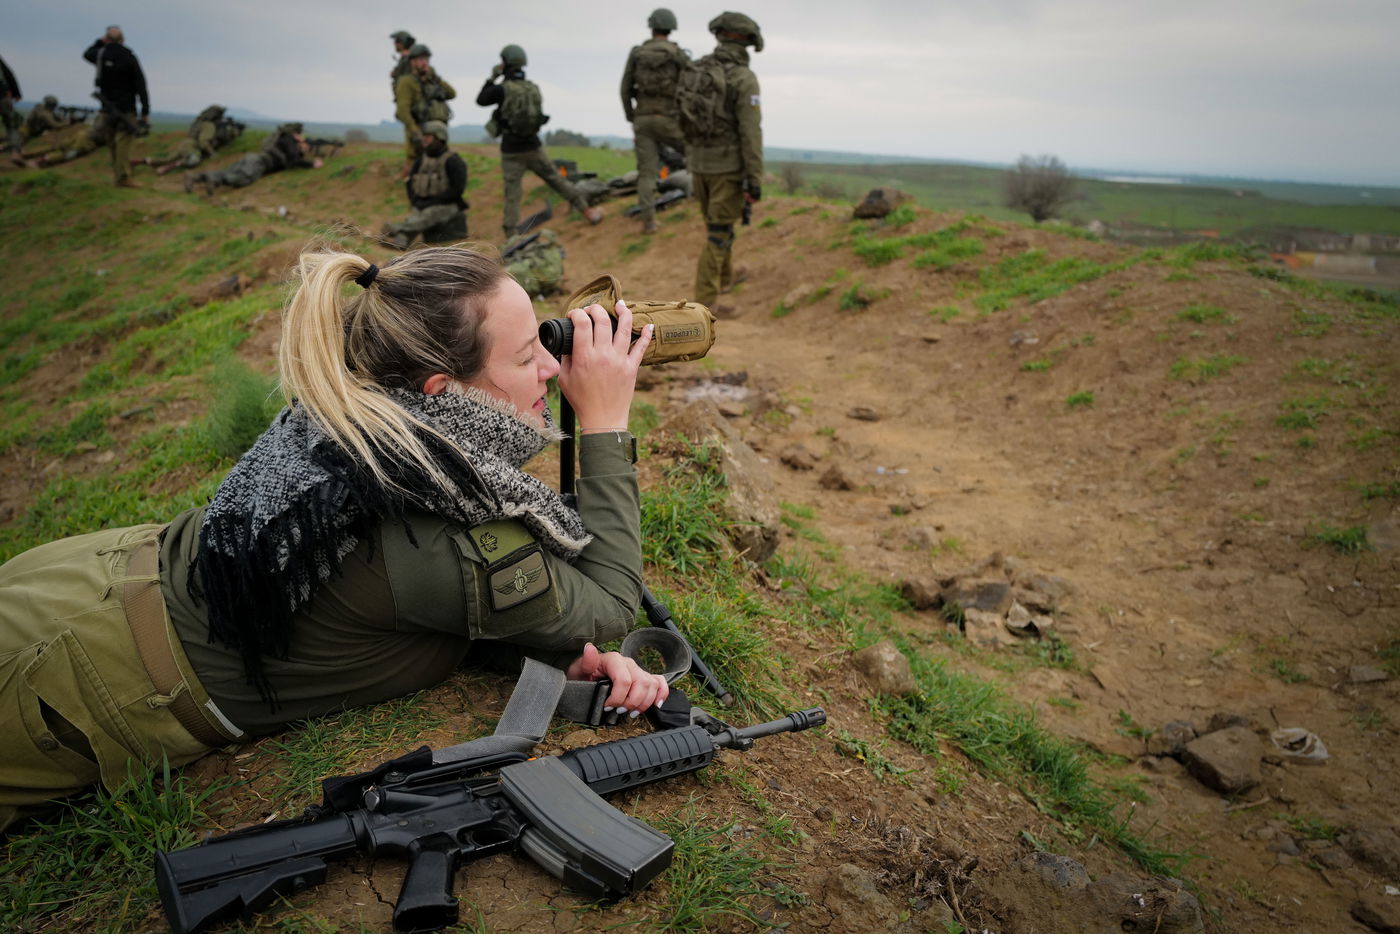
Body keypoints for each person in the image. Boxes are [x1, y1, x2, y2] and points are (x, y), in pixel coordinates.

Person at [0, 244, 667, 832]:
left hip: (84, 578)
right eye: (527, 356)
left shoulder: (358, 421)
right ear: (444, 390)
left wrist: (548, 660)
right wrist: (605, 421)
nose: (553, 369)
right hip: (73, 679)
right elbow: (609, 602)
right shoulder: (425, 524)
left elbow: (412, 611)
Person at [678, 12, 763, 312]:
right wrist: (755, 177)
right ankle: (706, 303)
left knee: (720, 226)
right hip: (727, 169)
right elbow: (750, 131)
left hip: (699, 165)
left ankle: (725, 279)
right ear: (746, 41)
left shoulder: (696, 70)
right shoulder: (742, 77)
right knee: (718, 234)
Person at [477, 44, 604, 238]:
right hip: (533, 146)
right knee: (557, 180)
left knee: (513, 194)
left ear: (505, 64)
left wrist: (492, 77)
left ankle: (511, 237)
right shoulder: (533, 89)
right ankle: (587, 212)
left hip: (511, 150)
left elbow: (481, 100)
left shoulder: (501, 89)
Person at [620, 9, 690, 235]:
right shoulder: (677, 53)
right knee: (696, 154)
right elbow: (690, 86)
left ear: (652, 26)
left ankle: (649, 223)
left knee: (647, 173)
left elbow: (625, 88)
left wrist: (632, 116)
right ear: (671, 28)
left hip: (643, 119)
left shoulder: (637, 53)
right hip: (669, 118)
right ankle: (705, 203)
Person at [380, 120, 468, 249]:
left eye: (428, 137)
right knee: (418, 216)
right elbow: (410, 183)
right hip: (422, 204)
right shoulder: (421, 160)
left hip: (447, 205)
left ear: (440, 138)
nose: (424, 140)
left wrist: (432, 202)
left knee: (427, 215)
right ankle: (401, 241)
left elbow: (457, 190)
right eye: (424, 136)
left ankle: (395, 229)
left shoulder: (453, 160)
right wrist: (416, 201)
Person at [83, 25, 149, 188]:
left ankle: (119, 177)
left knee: (113, 143)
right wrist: (145, 110)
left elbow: (87, 53)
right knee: (123, 144)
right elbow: (141, 86)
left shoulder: (101, 55)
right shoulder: (129, 57)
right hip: (126, 109)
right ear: (123, 40)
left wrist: (100, 42)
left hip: (106, 108)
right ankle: (123, 178)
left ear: (107, 39)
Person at [184, 122, 322, 195]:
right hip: (260, 163)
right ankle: (212, 179)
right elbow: (293, 161)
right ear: (295, 134)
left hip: (254, 157)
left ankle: (195, 177)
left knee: (226, 171)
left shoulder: (281, 139)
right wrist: (312, 164)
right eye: (300, 134)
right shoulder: (289, 141)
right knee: (241, 179)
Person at [394, 43, 454, 177]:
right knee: (415, 170)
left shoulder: (432, 80)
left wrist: (436, 78)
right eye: (421, 60)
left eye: (426, 59)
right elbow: (403, 111)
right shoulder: (406, 82)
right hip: (419, 130)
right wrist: (415, 132)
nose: (424, 63)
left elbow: (452, 93)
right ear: (412, 62)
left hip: (437, 134)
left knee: (437, 171)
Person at [144, 105, 240, 175]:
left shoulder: (199, 122)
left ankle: (138, 161)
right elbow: (203, 142)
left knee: (166, 159)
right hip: (192, 147)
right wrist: (212, 153)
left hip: (185, 144)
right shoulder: (209, 125)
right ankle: (167, 168)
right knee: (193, 160)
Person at [1, 55, 24, 155]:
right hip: (3, 95)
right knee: (11, 125)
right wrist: (16, 93)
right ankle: (15, 150)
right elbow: (9, 74)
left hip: (3, 95)